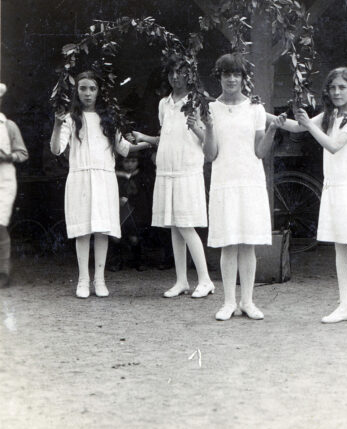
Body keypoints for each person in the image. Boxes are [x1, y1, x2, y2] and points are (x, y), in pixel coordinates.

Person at [275, 67, 347, 324]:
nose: (337, 92)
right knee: (340, 248)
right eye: (333, 88)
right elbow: (296, 128)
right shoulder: (331, 115)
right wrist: (260, 113)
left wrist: (310, 124)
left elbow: (333, 146)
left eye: (342, 87)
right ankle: (345, 305)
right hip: (335, 189)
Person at [50, 71, 150, 298]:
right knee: (83, 230)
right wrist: (57, 124)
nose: (87, 93)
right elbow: (56, 149)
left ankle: (100, 279)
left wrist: (151, 143)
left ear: (98, 92)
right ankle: (83, 280)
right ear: (76, 91)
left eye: (92, 89)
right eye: (83, 88)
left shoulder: (108, 119)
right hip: (80, 178)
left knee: (102, 229)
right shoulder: (69, 118)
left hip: (104, 178)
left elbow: (124, 148)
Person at [132, 56, 215, 298]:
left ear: (190, 75)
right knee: (174, 228)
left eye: (181, 72)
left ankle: (206, 279)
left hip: (187, 169)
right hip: (166, 170)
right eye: (171, 73)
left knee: (186, 225)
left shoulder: (198, 101)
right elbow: (165, 138)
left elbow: (208, 140)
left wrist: (197, 125)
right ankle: (181, 281)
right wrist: (144, 138)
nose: (175, 77)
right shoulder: (163, 104)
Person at [202, 54, 275, 321]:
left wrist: (273, 130)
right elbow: (210, 155)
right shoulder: (210, 108)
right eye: (226, 74)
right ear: (219, 77)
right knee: (228, 244)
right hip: (224, 181)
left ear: (243, 78)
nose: (231, 79)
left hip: (250, 181)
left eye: (236, 74)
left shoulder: (255, 108)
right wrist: (209, 129)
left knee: (247, 244)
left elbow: (260, 151)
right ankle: (228, 302)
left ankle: (248, 301)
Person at [0, 83, 28, 288]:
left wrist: (8, 156)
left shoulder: (8, 126)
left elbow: (23, 153)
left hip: (4, 180)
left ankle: (3, 272)